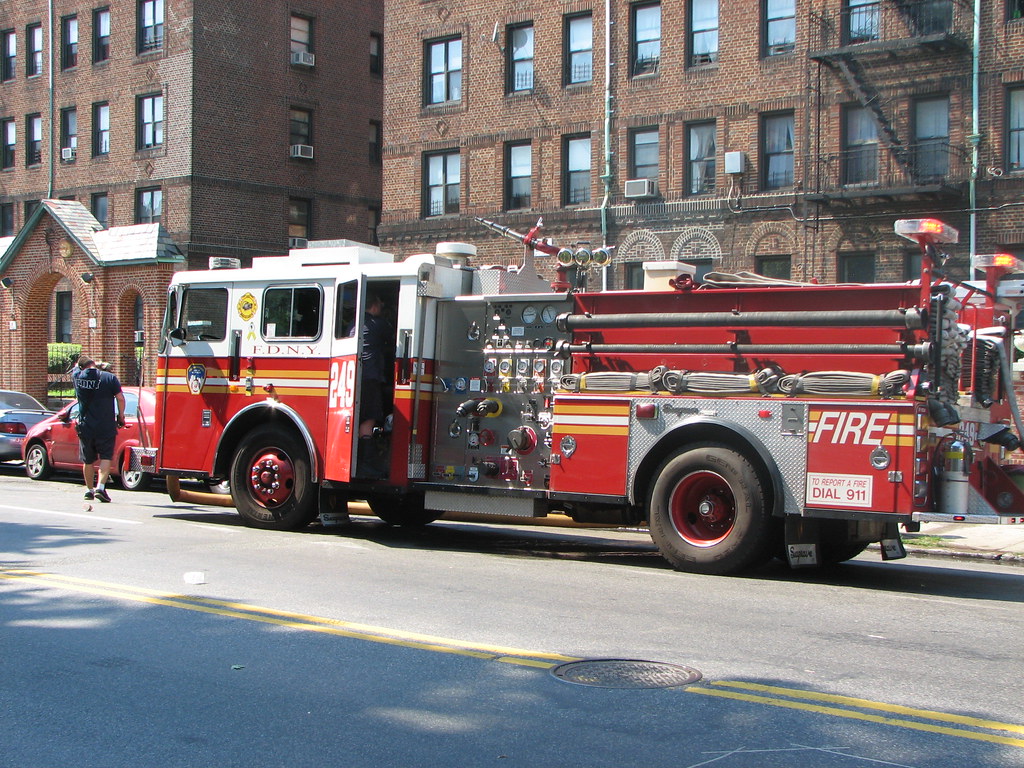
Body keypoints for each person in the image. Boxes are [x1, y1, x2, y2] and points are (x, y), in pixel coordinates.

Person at [72, 354, 126, 503]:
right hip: (105, 425)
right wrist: (121, 416)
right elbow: (120, 398)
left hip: (85, 426)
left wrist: (94, 365)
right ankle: (100, 488)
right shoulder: (109, 378)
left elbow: (77, 367)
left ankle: (89, 490)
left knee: (87, 460)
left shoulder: (77, 377)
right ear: (94, 364)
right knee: (106, 457)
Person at [358, 292, 393, 478]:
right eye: (380, 303)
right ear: (374, 306)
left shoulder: (354, 323)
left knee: (358, 417)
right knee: (369, 418)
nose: (382, 306)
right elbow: (395, 338)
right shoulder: (378, 323)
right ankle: (366, 465)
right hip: (371, 377)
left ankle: (358, 462)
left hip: (356, 376)